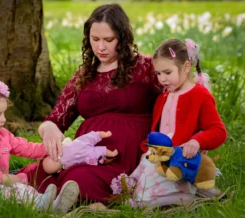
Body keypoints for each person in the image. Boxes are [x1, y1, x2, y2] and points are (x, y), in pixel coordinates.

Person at [17, 3, 161, 203]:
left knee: (78, 180)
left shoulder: (146, 68)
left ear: (123, 37)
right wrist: (48, 129)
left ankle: (60, 201)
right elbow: (56, 118)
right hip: (85, 154)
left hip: (128, 155)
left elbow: (179, 97)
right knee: (36, 175)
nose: (100, 47)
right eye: (95, 39)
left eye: (108, 40)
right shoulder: (85, 75)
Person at [111, 38, 227, 207]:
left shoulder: (199, 95)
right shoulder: (163, 98)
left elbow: (218, 130)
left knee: (147, 192)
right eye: (158, 74)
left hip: (181, 160)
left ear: (186, 67)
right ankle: (193, 194)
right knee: (143, 181)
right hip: (162, 156)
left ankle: (160, 203)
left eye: (167, 72)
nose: (162, 79)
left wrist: (197, 141)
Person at [0, 80, 79, 214]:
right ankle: (42, 205)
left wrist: (52, 148)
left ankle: (51, 205)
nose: (3, 119)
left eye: (3, 113)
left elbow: (26, 148)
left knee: (23, 188)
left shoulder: (2, 135)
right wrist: (4, 178)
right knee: (8, 190)